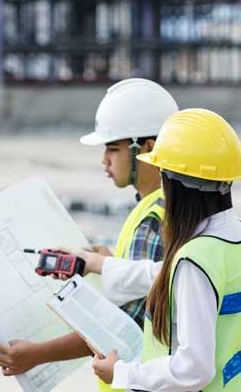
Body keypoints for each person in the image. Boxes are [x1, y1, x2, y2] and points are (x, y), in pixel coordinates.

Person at [0, 78, 178, 392]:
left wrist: (36, 355)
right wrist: (110, 263)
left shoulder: (153, 219)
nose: (104, 159)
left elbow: (128, 326)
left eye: (113, 148)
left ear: (148, 149)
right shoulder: (161, 206)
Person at [65, 108, 241, 391]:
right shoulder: (229, 241)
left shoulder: (194, 260)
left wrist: (122, 373)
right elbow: (160, 273)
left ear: (175, 184)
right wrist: (95, 263)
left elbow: (194, 368)